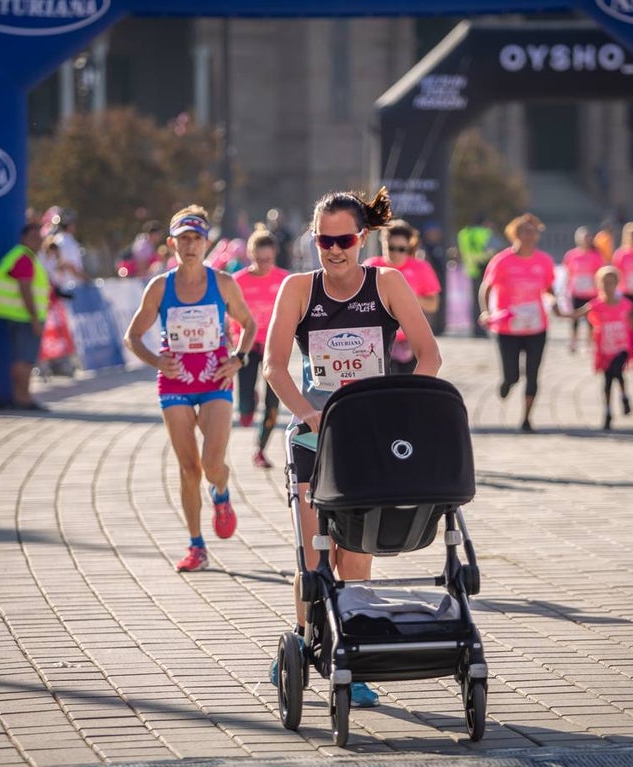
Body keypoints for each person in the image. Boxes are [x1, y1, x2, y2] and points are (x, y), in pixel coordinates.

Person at [263, 187, 440, 708]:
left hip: (370, 441)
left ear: (362, 239)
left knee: (356, 558)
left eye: (343, 239)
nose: (334, 250)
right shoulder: (299, 288)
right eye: (324, 240)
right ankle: (301, 641)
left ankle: (353, 659)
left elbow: (428, 356)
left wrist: (397, 411)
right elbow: (274, 366)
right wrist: (307, 412)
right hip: (314, 438)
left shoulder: (386, 282)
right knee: (315, 556)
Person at [124, 205, 256, 573]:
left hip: (215, 380)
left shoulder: (223, 283)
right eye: (184, 239)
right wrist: (156, 361)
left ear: (207, 242)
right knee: (188, 468)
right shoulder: (160, 286)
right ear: (172, 244)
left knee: (213, 464)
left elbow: (249, 324)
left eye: (197, 238)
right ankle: (196, 546)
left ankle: (222, 493)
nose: (191, 245)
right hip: (175, 382)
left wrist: (239, 359)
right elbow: (132, 336)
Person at [478, 213, 555, 434]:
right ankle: (507, 383)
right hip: (508, 328)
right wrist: (485, 311)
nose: (530, 236)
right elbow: (486, 288)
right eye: (525, 232)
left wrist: (554, 301)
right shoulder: (502, 260)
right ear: (515, 235)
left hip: (536, 326)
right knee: (512, 374)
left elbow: (548, 290)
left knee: (533, 373)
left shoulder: (544, 261)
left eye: (534, 232)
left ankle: (526, 418)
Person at [555, 266, 633, 431]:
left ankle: (624, 396)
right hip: (604, 349)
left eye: (611, 282)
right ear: (598, 284)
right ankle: (608, 412)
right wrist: (560, 313)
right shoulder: (596, 304)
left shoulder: (625, 304)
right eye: (604, 282)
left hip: (621, 346)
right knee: (608, 380)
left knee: (617, 370)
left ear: (617, 283)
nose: (608, 285)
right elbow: (577, 314)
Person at [231, 225, 289, 468]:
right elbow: (229, 315)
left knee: (273, 402)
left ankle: (261, 449)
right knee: (244, 409)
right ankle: (248, 400)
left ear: (274, 255)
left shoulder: (284, 279)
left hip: (274, 347)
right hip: (247, 345)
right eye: (259, 259)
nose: (265, 265)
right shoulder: (238, 281)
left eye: (269, 259)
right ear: (250, 255)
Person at [0, 223, 51, 410]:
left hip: (18, 316)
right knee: (24, 359)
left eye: (40, 238)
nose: (38, 242)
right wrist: (35, 318)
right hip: (23, 317)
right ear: (23, 239)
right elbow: (25, 289)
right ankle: (22, 398)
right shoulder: (24, 258)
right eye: (33, 238)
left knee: (23, 359)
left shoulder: (24, 257)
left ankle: (22, 397)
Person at [364, 219, 441, 374]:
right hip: (379, 341)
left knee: (405, 388)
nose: (395, 253)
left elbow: (433, 304)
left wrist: (405, 298)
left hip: (410, 340)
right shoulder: (371, 267)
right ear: (383, 244)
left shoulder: (421, 268)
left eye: (401, 248)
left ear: (409, 247)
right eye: (391, 248)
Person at [561, 226, 603, 353]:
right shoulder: (571, 255)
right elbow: (568, 273)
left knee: (591, 319)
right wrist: (565, 288)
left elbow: (600, 274)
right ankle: (573, 341)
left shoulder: (596, 256)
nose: (586, 240)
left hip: (591, 292)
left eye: (587, 237)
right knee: (575, 318)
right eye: (583, 238)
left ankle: (589, 342)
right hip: (576, 291)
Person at [457, 216, 493, 338]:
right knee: (483, 299)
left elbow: (462, 251)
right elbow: (492, 249)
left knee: (474, 301)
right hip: (484, 269)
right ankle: (483, 328)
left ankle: (475, 328)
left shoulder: (464, 233)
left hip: (471, 269)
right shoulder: (486, 233)